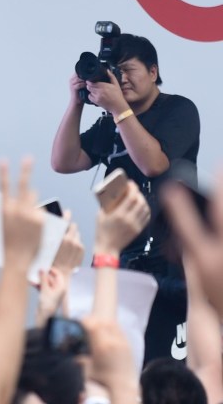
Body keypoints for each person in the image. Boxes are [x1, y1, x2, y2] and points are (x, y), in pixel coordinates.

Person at [50, 32, 200, 362]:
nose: (122, 79)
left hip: (169, 259)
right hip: (120, 255)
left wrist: (119, 108)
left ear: (153, 71)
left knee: (159, 358)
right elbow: (64, 162)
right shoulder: (109, 123)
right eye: (114, 71)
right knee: (111, 354)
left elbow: (154, 164)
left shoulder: (179, 110)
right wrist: (75, 104)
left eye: (128, 69)